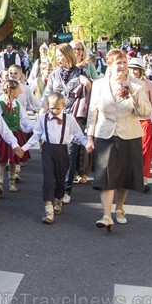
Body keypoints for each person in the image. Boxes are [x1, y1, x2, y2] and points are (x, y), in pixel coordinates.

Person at [86, 49, 151, 231]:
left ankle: (120, 208)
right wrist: (89, 137)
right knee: (106, 174)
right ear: (110, 65)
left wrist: (133, 94)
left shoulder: (137, 85)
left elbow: (145, 112)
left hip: (129, 134)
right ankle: (106, 215)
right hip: (105, 134)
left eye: (124, 63)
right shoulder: (99, 85)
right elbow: (93, 112)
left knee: (124, 175)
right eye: (118, 63)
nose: (122, 66)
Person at [22, 92, 87, 224]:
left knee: (60, 178)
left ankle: (59, 199)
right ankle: (49, 210)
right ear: (48, 106)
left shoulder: (69, 119)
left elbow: (78, 134)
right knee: (48, 179)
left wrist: (88, 144)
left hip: (62, 150)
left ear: (64, 106)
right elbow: (36, 135)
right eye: (52, 108)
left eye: (58, 108)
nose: (55, 111)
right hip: (47, 150)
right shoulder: (42, 118)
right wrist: (24, 148)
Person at [41, 43, 92, 205]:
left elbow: (93, 94)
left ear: (68, 55)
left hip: (73, 120)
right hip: (55, 120)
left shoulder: (81, 73)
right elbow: (46, 96)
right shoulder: (54, 75)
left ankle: (66, 189)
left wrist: (87, 83)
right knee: (57, 157)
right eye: (56, 56)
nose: (58, 59)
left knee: (69, 155)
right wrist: (41, 116)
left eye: (60, 55)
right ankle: (57, 187)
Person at [0, 79, 33, 194]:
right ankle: (0, 182)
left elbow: (24, 119)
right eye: (18, 90)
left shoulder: (17, 104)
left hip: (15, 133)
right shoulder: (0, 104)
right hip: (4, 135)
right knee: (2, 160)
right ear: (12, 92)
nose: (20, 93)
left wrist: (32, 127)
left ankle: (12, 181)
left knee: (14, 159)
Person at [127, 57, 152, 192]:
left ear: (141, 70)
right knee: (131, 152)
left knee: (145, 152)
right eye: (131, 69)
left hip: (145, 121)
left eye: (136, 69)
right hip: (129, 121)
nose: (134, 72)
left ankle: (144, 180)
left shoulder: (148, 84)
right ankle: (131, 177)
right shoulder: (125, 83)